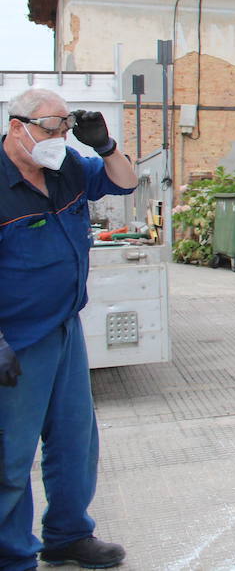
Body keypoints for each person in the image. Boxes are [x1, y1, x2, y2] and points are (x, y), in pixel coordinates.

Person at [0, 89, 136, 571]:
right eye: (49, 128)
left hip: (64, 328)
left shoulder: (69, 168)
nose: (58, 139)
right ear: (17, 127)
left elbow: (125, 182)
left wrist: (105, 146)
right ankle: (11, 556)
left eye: (63, 128)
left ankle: (68, 535)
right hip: (15, 340)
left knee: (76, 439)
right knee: (10, 456)